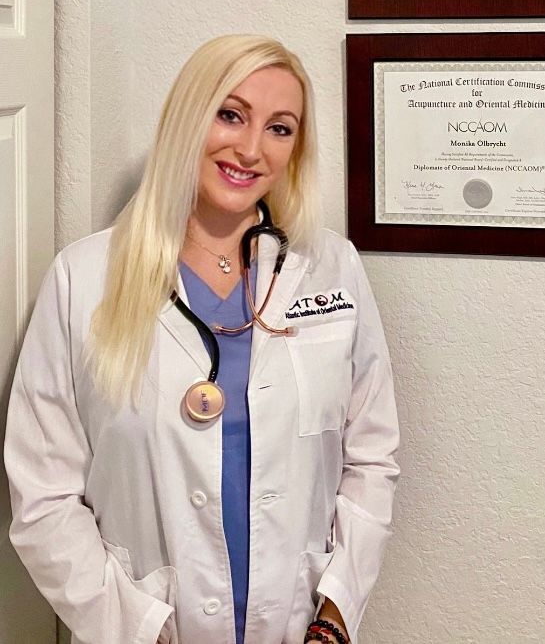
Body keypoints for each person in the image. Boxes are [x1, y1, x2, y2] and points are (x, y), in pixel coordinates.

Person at [4, 34, 400, 644]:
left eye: (280, 128)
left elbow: (371, 456)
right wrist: (138, 629)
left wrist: (337, 610)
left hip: (300, 625)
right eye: (230, 114)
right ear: (190, 116)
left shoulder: (331, 268)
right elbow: (43, 496)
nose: (250, 148)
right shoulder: (83, 279)